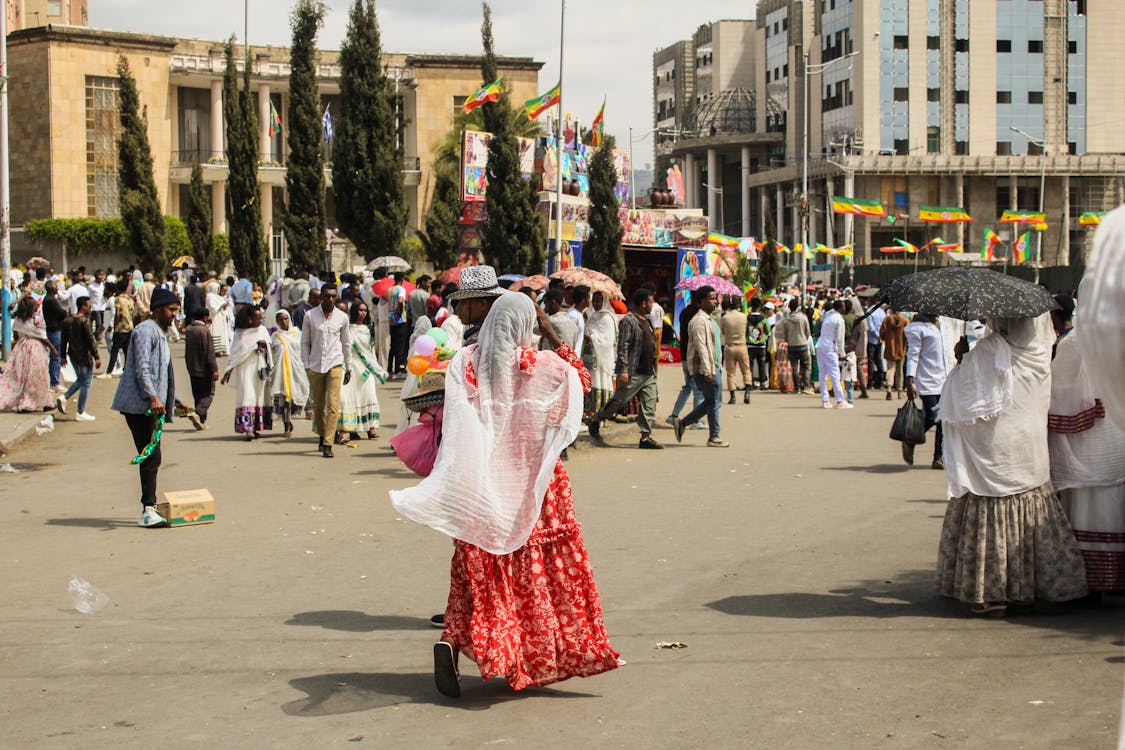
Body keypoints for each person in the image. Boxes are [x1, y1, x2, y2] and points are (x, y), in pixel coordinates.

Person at [390, 293, 619, 696]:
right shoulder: (546, 367)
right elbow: (582, 380)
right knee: (532, 573)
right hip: (536, 489)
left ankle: (452, 640)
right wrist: (550, 333)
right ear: (527, 325)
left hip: (480, 488)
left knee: (477, 571)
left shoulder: (465, 364)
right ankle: (522, 654)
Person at [936, 315, 1088, 616]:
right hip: (1029, 452)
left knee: (990, 513)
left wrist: (962, 362)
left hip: (994, 456)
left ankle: (992, 595)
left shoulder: (988, 351)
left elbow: (959, 402)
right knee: (1031, 512)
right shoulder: (1042, 352)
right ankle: (1032, 589)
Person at [1048, 281, 1125, 596]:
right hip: (1116, 439)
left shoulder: (1077, 341)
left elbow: (1059, 391)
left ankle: (1090, 583)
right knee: (1114, 505)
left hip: (1088, 443)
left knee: (1085, 509)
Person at [111, 287, 179, 528]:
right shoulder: (144, 331)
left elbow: (162, 374)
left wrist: (175, 400)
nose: (174, 315)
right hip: (139, 405)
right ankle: (148, 509)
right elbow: (143, 369)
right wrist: (152, 397)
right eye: (171, 310)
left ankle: (149, 506)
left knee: (151, 455)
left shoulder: (160, 333)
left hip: (152, 405)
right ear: (158, 308)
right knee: (151, 455)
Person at [588, 287, 662, 449]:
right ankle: (595, 420)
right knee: (619, 400)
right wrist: (624, 370)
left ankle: (645, 437)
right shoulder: (629, 320)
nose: (652, 305)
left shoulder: (646, 320)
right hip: (633, 370)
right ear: (643, 304)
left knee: (649, 404)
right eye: (651, 302)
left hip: (647, 372)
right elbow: (623, 347)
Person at [672, 286, 728, 447]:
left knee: (711, 401)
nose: (715, 302)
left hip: (713, 366)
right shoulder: (698, 321)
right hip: (705, 368)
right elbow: (701, 347)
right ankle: (714, 436)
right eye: (711, 298)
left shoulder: (709, 319)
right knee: (714, 401)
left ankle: (683, 423)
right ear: (701, 301)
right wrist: (707, 370)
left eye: (715, 298)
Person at [302, 283, 352, 458]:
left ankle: (328, 443)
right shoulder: (310, 316)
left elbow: (346, 343)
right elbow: (305, 343)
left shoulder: (342, 318)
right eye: (327, 296)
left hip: (335, 363)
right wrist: (306, 365)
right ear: (321, 297)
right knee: (319, 406)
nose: (330, 299)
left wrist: (349, 365)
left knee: (332, 405)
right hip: (315, 365)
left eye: (333, 296)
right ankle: (322, 434)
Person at [336, 300, 387, 443]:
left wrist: (376, 367)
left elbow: (370, 350)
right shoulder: (348, 329)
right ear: (354, 312)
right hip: (352, 367)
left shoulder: (369, 328)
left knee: (369, 395)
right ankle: (349, 429)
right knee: (351, 398)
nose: (363, 313)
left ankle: (371, 427)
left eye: (365, 310)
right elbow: (345, 348)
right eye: (360, 310)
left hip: (366, 368)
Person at [221, 306, 273, 441]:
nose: (261, 320)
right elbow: (235, 353)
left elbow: (269, 346)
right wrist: (228, 371)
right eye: (258, 318)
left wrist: (264, 345)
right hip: (246, 368)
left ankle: (256, 427)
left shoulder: (262, 330)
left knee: (259, 397)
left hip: (259, 367)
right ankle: (247, 428)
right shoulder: (240, 333)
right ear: (250, 320)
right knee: (247, 396)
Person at [903, 313, 948, 468]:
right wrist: (910, 379)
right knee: (932, 416)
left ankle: (938, 457)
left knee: (942, 420)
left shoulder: (936, 327)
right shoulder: (916, 329)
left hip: (942, 379)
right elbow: (913, 355)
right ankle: (911, 440)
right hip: (926, 379)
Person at [0, 295, 55, 412]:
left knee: (24, 378)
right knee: (40, 376)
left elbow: (15, 336)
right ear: (32, 307)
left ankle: (25, 402)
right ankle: (45, 402)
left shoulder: (18, 320)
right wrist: (53, 349)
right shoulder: (37, 319)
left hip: (21, 349)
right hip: (36, 349)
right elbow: (43, 337)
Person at [58, 296, 101, 421]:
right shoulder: (84, 321)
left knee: (81, 380)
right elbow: (90, 340)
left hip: (73, 355)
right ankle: (79, 410)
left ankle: (65, 398)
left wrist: (63, 356)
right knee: (85, 383)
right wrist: (96, 357)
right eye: (89, 304)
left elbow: (63, 340)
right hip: (84, 356)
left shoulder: (67, 321)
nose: (91, 307)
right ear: (83, 306)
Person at [665, 301, 704, 427]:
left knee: (688, 388)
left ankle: (674, 415)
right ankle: (695, 420)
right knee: (698, 389)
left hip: (684, 355)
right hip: (694, 356)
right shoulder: (698, 316)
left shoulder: (683, 313)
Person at [583, 291, 617, 416]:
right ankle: (590, 412)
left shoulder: (607, 318)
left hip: (602, 359)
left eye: (599, 301)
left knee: (601, 380)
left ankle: (601, 412)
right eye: (594, 301)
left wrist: (591, 337)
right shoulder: (592, 315)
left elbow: (608, 340)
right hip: (591, 356)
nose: (596, 304)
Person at [184, 308, 218, 427]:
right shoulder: (204, 331)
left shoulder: (189, 329)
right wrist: (214, 369)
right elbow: (209, 352)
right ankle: (198, 413)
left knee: (197, 394)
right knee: (208, 393)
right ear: (205, 317)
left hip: (192, 367)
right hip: (204, 369)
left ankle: (201, 420)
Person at [815, 300, 850, 409]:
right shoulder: (839, 319)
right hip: (830, 348)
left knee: (823, 374)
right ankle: (840, 400)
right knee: (835, 374)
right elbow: (840, 339)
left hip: (820, 346)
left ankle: (825, 400)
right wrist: (842, 353)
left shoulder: (828, 315)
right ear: (840, 308)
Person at [719, 297, 751, 404]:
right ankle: (747, 392)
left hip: (730, 347)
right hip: (742, 346)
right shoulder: (743, 317)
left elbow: (722, 331)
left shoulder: (725, 318)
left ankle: (732, 396)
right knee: (746, 370)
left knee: (731, 373)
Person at [780, 297, 813, 394]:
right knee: (806, 366)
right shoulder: (803, 317)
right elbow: (808, 332)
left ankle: (797, 387)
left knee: (794, 367)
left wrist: (789, 340)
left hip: (791, 345)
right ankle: (806, 386)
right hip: (802, 344)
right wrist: (804, 338)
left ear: (789, 307)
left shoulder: (786, 320)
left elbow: (784, 335)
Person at [42, 281, 67, 390]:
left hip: (54, 329)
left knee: (55, 356)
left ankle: (54, 380)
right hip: (54, 329)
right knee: (56, 356)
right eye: (56, 287)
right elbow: (61, 313)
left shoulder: (49, 299)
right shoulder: (50, 300)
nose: (58, 288)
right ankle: (54, 382)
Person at [880, 307, 909, 400]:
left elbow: (882, 333)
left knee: (890, 369)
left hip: (890, 348)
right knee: (900, 371)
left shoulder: (887, 319)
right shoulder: (905, 320)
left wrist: (886, 339)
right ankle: (900, 392)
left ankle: (889, 387)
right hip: (901, 349)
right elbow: (908, 334)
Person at [387, 272, 410, 378]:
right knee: (400, 345)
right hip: (400, 320)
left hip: (391, 319)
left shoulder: (389, 290)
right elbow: (401, 300)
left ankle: (389, 368)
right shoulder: (401, 289)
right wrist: (400, 311)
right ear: (402, 280)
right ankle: (397, 370)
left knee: (393, 345)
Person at [746, 297, 770, 391]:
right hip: (761, 345)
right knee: (762, 365)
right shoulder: (763, 319)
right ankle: (762, 383)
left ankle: (750, 383)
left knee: (750, 365)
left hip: (750, 345)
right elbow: (768, 331)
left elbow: (745, 331)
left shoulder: (747, 318)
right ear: (760, 306)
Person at [865, 299, 887, 390]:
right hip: (880, 340)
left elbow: (871, 327)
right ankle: (880, 382)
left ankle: (870, 382)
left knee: (871, 361)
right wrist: (881, 337)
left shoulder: (869, 311)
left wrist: (877, 336)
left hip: (872, 339)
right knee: (879, 360)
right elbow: (885, 326)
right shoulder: (882, 312)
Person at [206, 281, 231, 357]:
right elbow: (212, 307)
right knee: (214, 332)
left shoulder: (216, 296)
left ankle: (219, 350)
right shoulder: (209, 296)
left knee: (220, 332)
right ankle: (214, 350)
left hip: (220, 316)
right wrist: (220, 306)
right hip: (214, 317)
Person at [87, 269, 108, 341]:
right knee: (98, 323)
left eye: (103, 275)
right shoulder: (91, 286)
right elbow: (89, 297)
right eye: (100, 275)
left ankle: (96, 333)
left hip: (103, 306)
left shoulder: (104, 285)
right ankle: (96, 336)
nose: (102, 277)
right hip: (95, 307)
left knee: (103, 324)